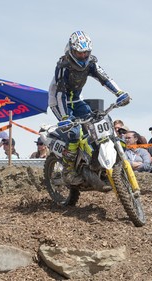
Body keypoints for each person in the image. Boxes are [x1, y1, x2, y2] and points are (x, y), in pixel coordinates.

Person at [48, 31, 130, 185]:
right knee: (73, 132)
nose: (83, 56)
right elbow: (60, 94)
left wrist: (119, 92)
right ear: (72, 51)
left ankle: (93, 162)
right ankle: (69, 171)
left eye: (86, 53)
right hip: (59, 102)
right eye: (79, 53)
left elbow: (105, 78)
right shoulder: (63, 66)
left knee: (96, 123)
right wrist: (65, 118)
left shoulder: (91, 62)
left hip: (77, 99)